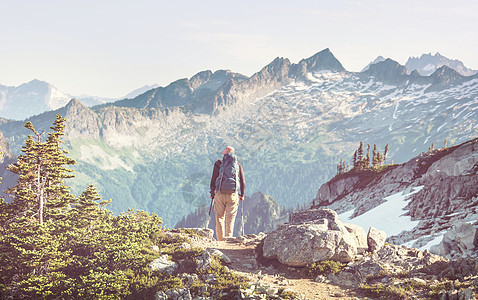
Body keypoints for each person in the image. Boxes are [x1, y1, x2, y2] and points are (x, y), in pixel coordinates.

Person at [209, 146, 245, 241]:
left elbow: (213, 179)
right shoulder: (237, 165)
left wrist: (212, 192)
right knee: (230, 218)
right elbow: (242, 182)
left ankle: (220, 240)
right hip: (233, 194)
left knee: (219, 217)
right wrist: (242, 194)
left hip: (220, 194)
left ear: (224, 153)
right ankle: (228, 239)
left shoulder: (218, 164)